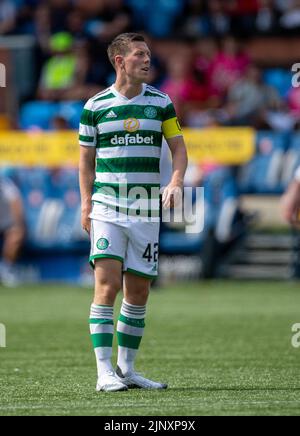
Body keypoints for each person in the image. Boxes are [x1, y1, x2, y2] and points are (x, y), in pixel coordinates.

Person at [79, 32, 188, 392]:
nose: (147, 59)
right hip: (107, 207)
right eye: (140, 54)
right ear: (119, 60)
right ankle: (102, 372)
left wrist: (175, 181)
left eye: (149, 54)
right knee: (107, 285)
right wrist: (85, 203)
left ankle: (127, 371)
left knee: (139, 292)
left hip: (145, 209)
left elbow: (179, 148)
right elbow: (85, 163)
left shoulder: (161, 102)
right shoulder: (95, 106)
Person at [0, 176, 25, 287]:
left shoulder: (4, 183)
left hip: (5, 221)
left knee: (16, 234)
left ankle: (6, 269)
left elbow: (15, 200)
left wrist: (17, 223)